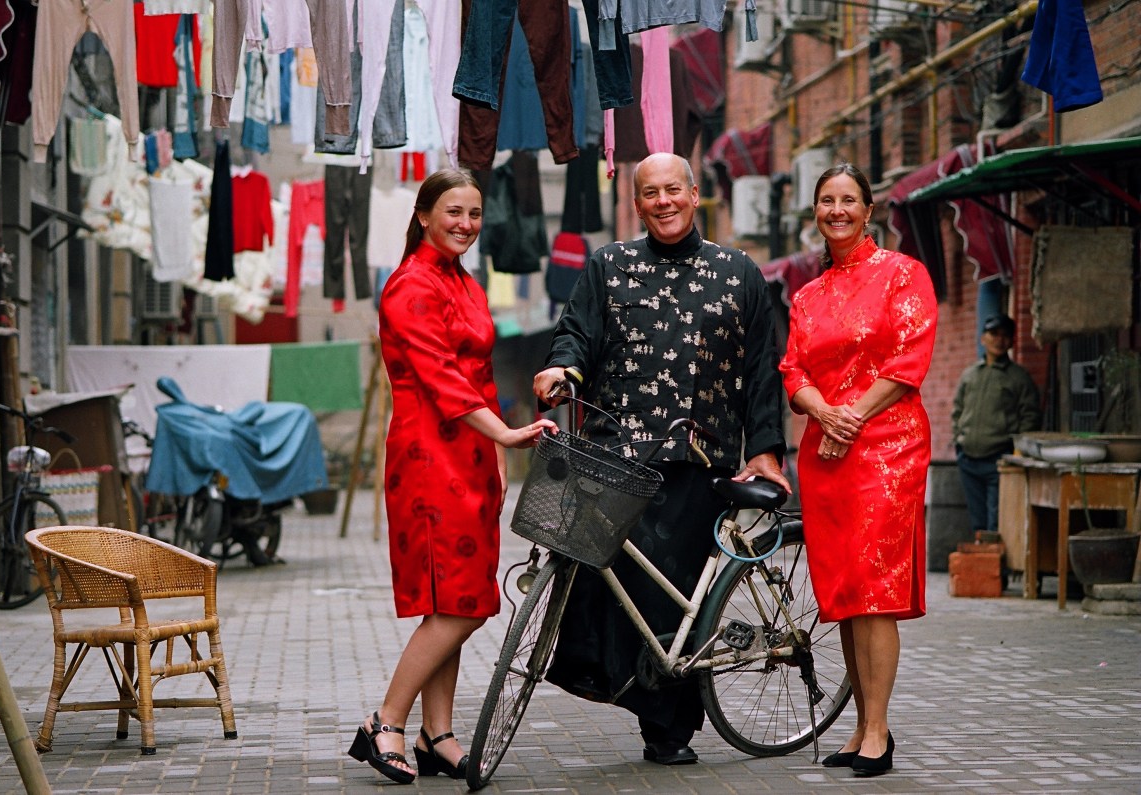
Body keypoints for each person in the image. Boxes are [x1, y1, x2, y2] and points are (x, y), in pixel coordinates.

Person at [532, 152, 789, 766]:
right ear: (637, 203)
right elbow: (577, 335)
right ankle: (609, 681)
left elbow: (762, 369)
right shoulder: (609, 266)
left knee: (674, 597)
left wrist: (766, 451)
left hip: (701, 459)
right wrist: (561, 369)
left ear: (695, 195)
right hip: (616, 452)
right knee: (604, 583)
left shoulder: (738, 272)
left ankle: (668, 728)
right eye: (651, 193)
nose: (664, 201)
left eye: (674, 189)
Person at [349, 169, 557, 785]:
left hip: (469, 453)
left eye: (474, 214)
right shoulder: (409, 285)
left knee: (452, 600)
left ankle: (435, 735)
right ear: (423, 215)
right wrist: (506, 434)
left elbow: (481, 377)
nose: (466, 224)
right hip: (427, 457)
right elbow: (441, 377)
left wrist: (493, 452)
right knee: (464, 602)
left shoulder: (464, 282)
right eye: (453, 212)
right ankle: (385, 721)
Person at [779, 163, 937, 778]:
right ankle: (860, 725)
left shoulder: (904, 274)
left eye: (849, 200)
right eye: (827, 200)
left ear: (869, 210)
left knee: (875, 590)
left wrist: (849, 418)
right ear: (815, 212)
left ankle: (879, 730)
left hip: (887, 448)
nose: (837, 210)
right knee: (845, 593)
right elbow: (793, 370)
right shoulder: (807, 295)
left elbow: (908, 358)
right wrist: (824, 413)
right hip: (825, 453)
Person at [952, 314, 1042, 535]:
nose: (999, 340)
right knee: (977, 520)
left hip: (999, 459)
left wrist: (1016, 450)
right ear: (983, 338)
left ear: (1012, 342)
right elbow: (957, 410)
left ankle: (996, 556)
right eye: (994, 334)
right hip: (968, 459)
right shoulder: (970, 374)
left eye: (1005, 336)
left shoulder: (1018, 377)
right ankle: (981, 554)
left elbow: (1030, 416)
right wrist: (959, 442)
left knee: (997, 520)